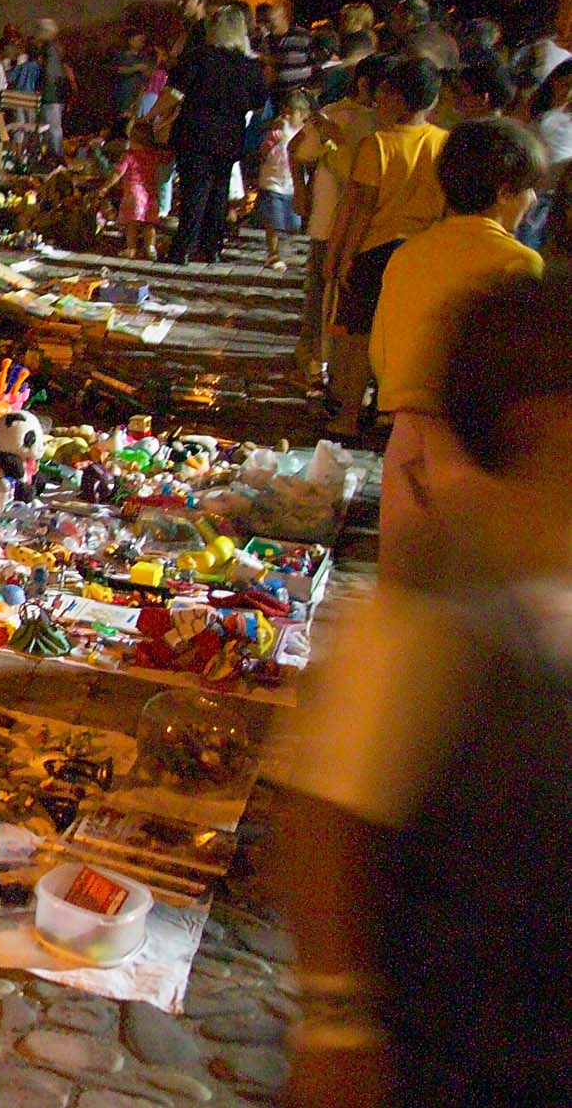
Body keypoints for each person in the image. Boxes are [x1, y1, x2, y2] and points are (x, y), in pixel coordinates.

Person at [278, 270, 572, 1108]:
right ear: (547, 424)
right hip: (462, 1041)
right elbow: (325, 816)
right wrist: (336, 1020)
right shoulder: (435, 605)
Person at [368, 117, 546, 574]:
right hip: (476, 450)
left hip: (406, 436)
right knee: (467, 599)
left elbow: (381, 355)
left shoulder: (408, 254)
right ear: (506, 190)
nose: (532, 202)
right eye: (529, 191)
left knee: (403, 585)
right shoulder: (518, 263)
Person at [323, 57, 449, 438]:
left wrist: (340, 255)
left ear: (394, 98)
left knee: (360, 338)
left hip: (375, 250)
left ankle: (346, 417)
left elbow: (359, 207)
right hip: (424, 252)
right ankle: (388, 412)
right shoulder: (444, 144)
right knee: (406, 337)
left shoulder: (378, 144)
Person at [293, 54, 383, 388]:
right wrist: (301, 191)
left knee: (332, 303)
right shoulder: (339, 116)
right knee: (322, 301)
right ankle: (315, 365)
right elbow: (297, 150)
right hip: (334, 225)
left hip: (353, 229)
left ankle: (327, 368)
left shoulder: (379, 126)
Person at [158, 5, 266, 264]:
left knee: (194, 191)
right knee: (219, 190)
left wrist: (149, 118)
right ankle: (213, 247)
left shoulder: (200, 56)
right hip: (229, 134)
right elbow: (259, 103)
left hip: (196, 130)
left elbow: (175, 92)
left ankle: (183, 248)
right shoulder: (249, 65)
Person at [252, 87, 313, 269]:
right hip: (273, 183)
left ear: (302, 114)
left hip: (293, 186)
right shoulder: (278, 131)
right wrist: (272, 140)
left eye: (291, 112)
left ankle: (281, 250)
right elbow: (263, 151)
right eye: (284, 111)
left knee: (291, 224)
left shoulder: (305, 134)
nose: (286, 116)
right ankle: (273, 254)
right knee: (273, 223)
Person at [520, 57, 572, 251]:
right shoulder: (535, 108)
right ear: (553, 81)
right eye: (564, 83)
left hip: (553, 194)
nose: (567, 91)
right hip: (529, 187)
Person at [102, 117, 168, 261]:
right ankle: (151, 248)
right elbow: (165, 161)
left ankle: (131, 248)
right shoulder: (154, 155)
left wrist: (105, 187)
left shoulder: (129, 155)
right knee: (149, 223)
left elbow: (117, 173)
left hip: (133, 193)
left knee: (131, 224)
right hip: (150, 193)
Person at [388, 0, 460, 72]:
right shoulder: (447, 38)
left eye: (394, 18)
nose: (391, 23)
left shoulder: (410, 42)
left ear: (409, 19)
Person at [34, 18, 71, 159]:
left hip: (51, 95)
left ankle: (56, 157)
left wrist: (42, 88)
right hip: (54, 94)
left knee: (52, 127)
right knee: (50, 127)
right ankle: (51, 156)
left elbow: (51, 73)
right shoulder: (53, 48)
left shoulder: (49, 49)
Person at [109, 29, 149, 129]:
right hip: (123, 93)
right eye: (139, 39)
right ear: (130, 40)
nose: (142, 42)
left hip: (137, 93)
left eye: (143, 40)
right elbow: (115, 70)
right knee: (121, 119)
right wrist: (135, 69)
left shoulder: (143, 57)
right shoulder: (121, 55)